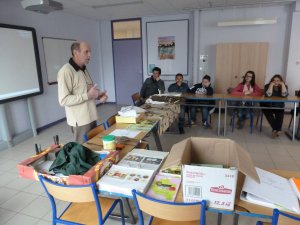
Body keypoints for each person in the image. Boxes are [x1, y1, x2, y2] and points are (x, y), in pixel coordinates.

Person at [57, 41, 108, 144]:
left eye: (90, 52)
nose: (90, 55)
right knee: (82, 150)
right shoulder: (65, 71)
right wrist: (88, 95)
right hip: (80, 121)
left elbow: (87, 90)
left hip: (91, 117)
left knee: (93, 147)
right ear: (76, 53)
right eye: (86, 52)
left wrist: (98, 95)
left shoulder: (83, 69)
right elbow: (63, 100)